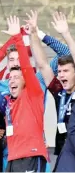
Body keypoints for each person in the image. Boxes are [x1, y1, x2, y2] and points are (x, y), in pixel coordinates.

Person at [0, 13, 48, 172]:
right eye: (10, 78)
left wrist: (18, 38)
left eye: (16, 77)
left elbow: (27, 68)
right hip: (12, 158)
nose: (11, 80)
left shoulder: (33, 93)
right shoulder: (8, 100)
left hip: (31, 155)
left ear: (26, 80)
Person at [51, 11, 75, 172]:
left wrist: (66, 33)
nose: (61, 75)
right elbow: (43, 66)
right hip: (66, 153)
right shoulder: (60, 93)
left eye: (65, 71)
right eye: (59, 71)